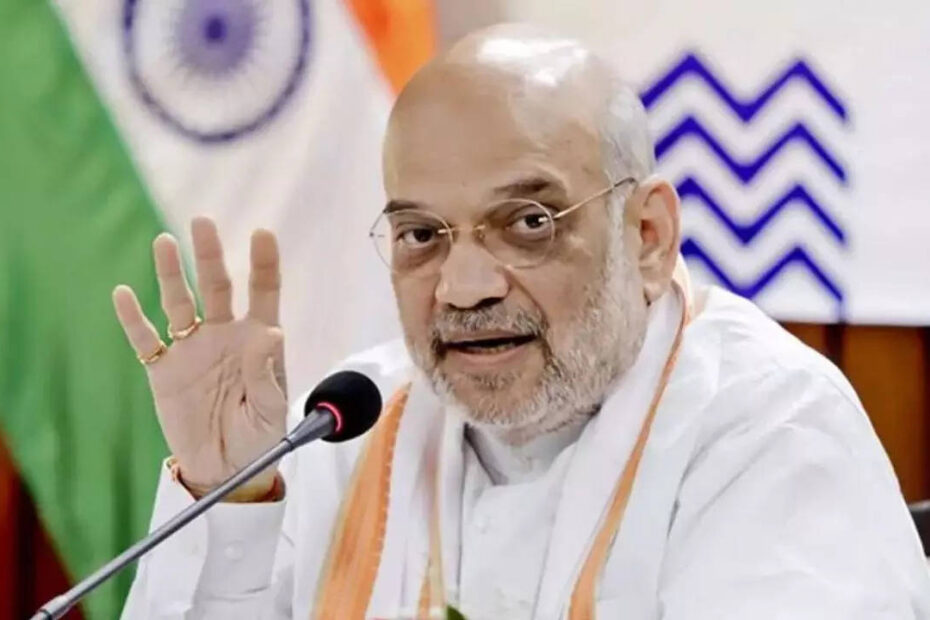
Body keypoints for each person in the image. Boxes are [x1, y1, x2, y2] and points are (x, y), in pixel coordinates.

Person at [116, 24, 930, 619]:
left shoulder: (770, 430)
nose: (464, 288)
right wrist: (230, 497)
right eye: (421, 235)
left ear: (647, 236)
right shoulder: (342, 429)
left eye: (530, 223)